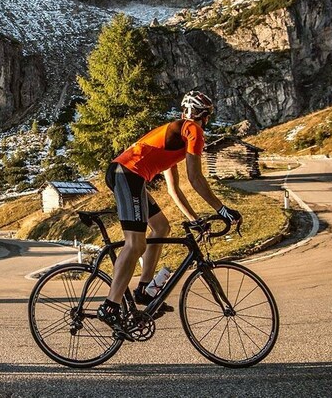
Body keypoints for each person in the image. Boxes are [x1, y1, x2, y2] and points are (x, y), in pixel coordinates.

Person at [96, 91, 241, 334]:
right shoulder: (192, 130)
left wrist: (194, 219)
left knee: (162, 227)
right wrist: (223, 210)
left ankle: (144, 289)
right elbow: (195, 178)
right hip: (127, 174)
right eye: (207, 117)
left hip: (130, 176)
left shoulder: (177, 136)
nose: (206, 121)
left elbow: (174, 189)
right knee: (135, 244)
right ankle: (110, 306)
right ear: (204, 116)